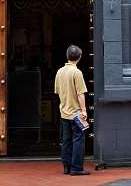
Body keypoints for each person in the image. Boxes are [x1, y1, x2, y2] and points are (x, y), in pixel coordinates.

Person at [55, 44, 89, 176]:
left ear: (67, 56)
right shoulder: (77, 72)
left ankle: (66, 167)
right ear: (79, 57)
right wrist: (84, 110)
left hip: (64, 112)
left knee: (66, 141)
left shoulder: (59, 71)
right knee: (78, 139)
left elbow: (58, 92)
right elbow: (80, 93)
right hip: (76, 113)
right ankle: (76, 168)